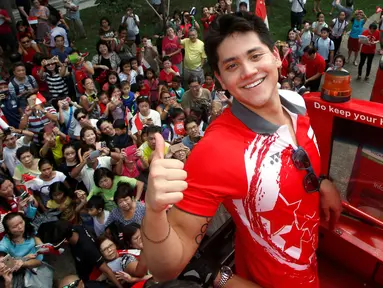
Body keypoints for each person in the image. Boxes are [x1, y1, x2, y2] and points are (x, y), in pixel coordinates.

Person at [142, 14, 341, 288]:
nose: (248, 71)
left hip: (310, 265)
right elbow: (166, 268)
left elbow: (298, 159)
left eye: (255, 56)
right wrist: (153, 212)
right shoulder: (215, 150)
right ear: (220, 79)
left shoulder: (295, 103)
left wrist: (322, 182)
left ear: (275, 56)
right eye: (232, 65)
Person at [38, 220, 123, 287]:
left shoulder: (87, 248)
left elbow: (107, 270)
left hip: (89, 274)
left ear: (65, 240)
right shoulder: (75, 229)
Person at [0, 212, 53, 287]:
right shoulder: (5, 243)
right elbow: (2, 256)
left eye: (21, 222)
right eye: (15, 226)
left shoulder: (28, 227)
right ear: (8, 230)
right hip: (24, 268)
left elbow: (35, 235)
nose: (20, 227)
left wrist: (41, 245)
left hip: (40, 260)